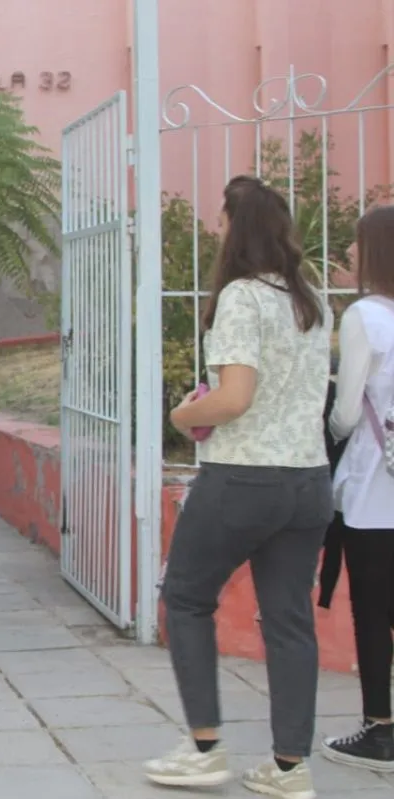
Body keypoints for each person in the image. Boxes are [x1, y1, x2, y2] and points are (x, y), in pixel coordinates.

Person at [144, 175, 333, 798]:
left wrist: (181, 415)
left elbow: (233, 398)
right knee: (289, 620)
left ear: (237, 229)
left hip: (244, 478)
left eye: (222, 221)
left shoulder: (241, 299)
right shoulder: (313, 299)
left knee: (187, 597)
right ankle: (289, 767)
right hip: (307, 481)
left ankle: (203, 747)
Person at [322, 205, 394, 772]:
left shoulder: (365, 316)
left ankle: (380, 730)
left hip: (376, 486)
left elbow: (347, 414)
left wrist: (331, 429)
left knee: (372, 609)